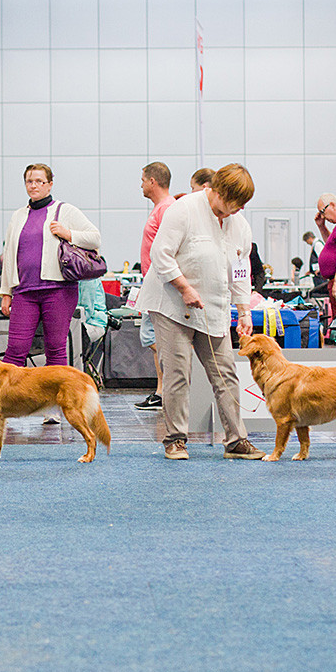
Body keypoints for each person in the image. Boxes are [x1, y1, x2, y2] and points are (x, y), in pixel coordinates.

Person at [134, 162, 264, 461]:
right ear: (214, 190)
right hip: (171, 303)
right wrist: (184, 288)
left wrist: (244, 310)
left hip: (213, 308)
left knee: (226, 373)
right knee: (178, 373)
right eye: (227, 204)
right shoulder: (183, 210)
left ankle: (236, 441)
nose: (231, 211)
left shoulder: (240, 225)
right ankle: (175, 440)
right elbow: (160, 254)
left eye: (238, 207)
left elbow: (241, 271)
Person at [0, 163, 101, 423]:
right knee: (15, 349)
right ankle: (7, 404)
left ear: (49, 184)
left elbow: (94, 238)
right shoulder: (18, 216)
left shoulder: (64, 210)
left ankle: (55, 409)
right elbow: (10, 256)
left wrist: (68, 233)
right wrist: (6, 292)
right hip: (24, 290)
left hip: (59, 290)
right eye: (29, 181)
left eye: (39, 181)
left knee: (55, 349)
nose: (33, 185)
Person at [134, 162, 175, 412]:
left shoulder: (168, 209)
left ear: (153, 181)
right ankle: (162, 391)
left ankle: (173, 386)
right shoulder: (160, 208)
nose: (140, 184)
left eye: (142, 179)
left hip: (161, 285)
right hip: (153, 283)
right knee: (152, 337)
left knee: (153, 337)